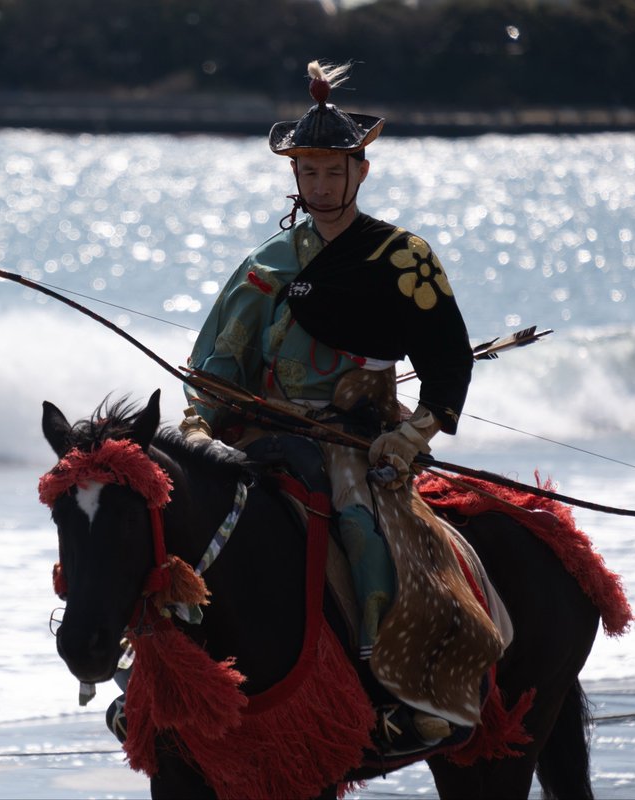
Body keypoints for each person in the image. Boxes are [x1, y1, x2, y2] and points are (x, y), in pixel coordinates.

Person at [181, 61, 510, 743]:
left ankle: (386, 688)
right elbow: (221, 360)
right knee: (178, 517)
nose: (322, 186)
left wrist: (411, 436)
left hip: (355, 435)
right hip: (258, 429)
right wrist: (197, 424)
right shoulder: (267, 263)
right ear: (294, 176)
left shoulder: (401, 256)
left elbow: (446, 359)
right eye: (310, 173)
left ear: (361, 171)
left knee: (361, 525)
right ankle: (157, 673)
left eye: (335, 172)